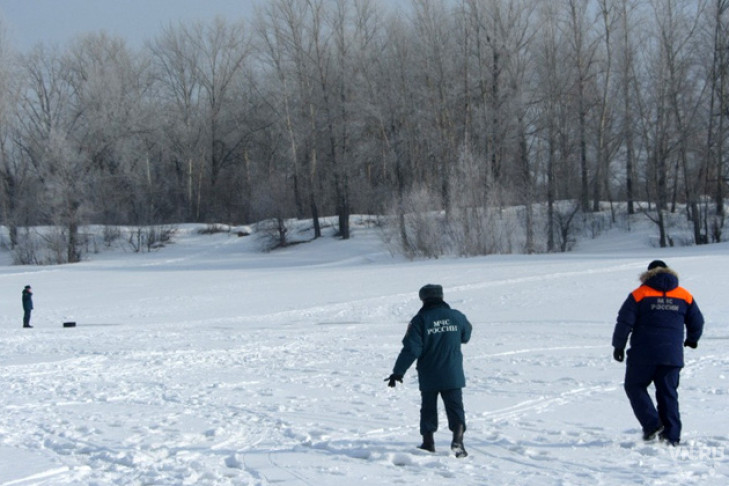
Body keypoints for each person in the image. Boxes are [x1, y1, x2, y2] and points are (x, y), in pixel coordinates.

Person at [612, 260, 704, 446]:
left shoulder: (640, 294)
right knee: (667, 393)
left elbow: (624, 322)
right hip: (671, 355)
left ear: (649, 274)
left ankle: (652, 424)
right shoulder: (684, 295)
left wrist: (618, 346)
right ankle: (671, 437)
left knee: (634, 386)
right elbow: (697, 321)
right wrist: (692, 339)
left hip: (642, 354)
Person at [385, 284, 473, 457]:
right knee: (455, 407)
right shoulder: (457, 316)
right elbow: (466, 336)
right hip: (452, 371)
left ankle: (428, 443)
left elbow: (412, 349)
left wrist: (398, 372)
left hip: (429, 372)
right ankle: (458, 440)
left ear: (423, 299)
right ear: (441, 297)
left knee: (428, 408)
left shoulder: (420, 320)